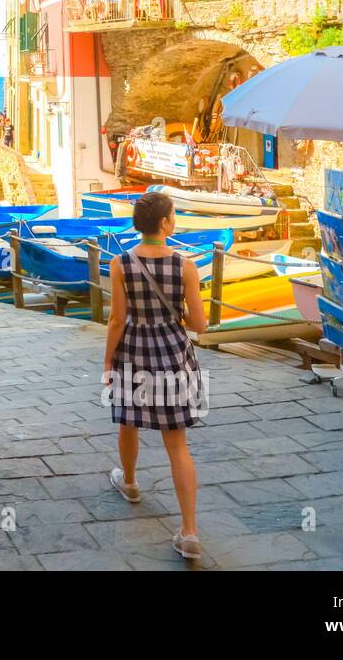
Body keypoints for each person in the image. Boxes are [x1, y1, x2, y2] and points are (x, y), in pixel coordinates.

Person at [104, 191, 209, 561]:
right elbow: (199, 324)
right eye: (174, 214)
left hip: (133, 351)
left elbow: (117, 319)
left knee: (128, 422)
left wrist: (106, 362)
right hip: (173, 354)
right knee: (177, 444)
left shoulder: (120, 263)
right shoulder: (185, 265)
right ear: (165, 223)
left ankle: (130, 483)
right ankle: (189, 532)